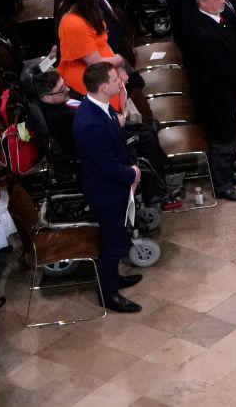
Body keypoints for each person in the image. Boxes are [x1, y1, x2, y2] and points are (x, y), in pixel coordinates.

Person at [72, 62, 143, 313]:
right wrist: (131, 174)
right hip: (106, 191)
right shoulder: (90, 122)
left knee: (117, 236)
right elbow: (105, 165)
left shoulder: (102, 108)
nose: (120, 83)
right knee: (113, 244)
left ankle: (114, 278)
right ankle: (108, 293)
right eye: (115, 80)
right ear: (103, 87)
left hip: (114, 185)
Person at [185, 0, 236, 201]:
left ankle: (229, 174)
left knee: (229, 130)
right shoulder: (202, 31)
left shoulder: (219, 15)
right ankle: (223, 184)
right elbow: (222, 66)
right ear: (203, 3)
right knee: (221, 138)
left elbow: (232, 33)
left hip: (227, 90)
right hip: (216, 94)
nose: (224, 1)